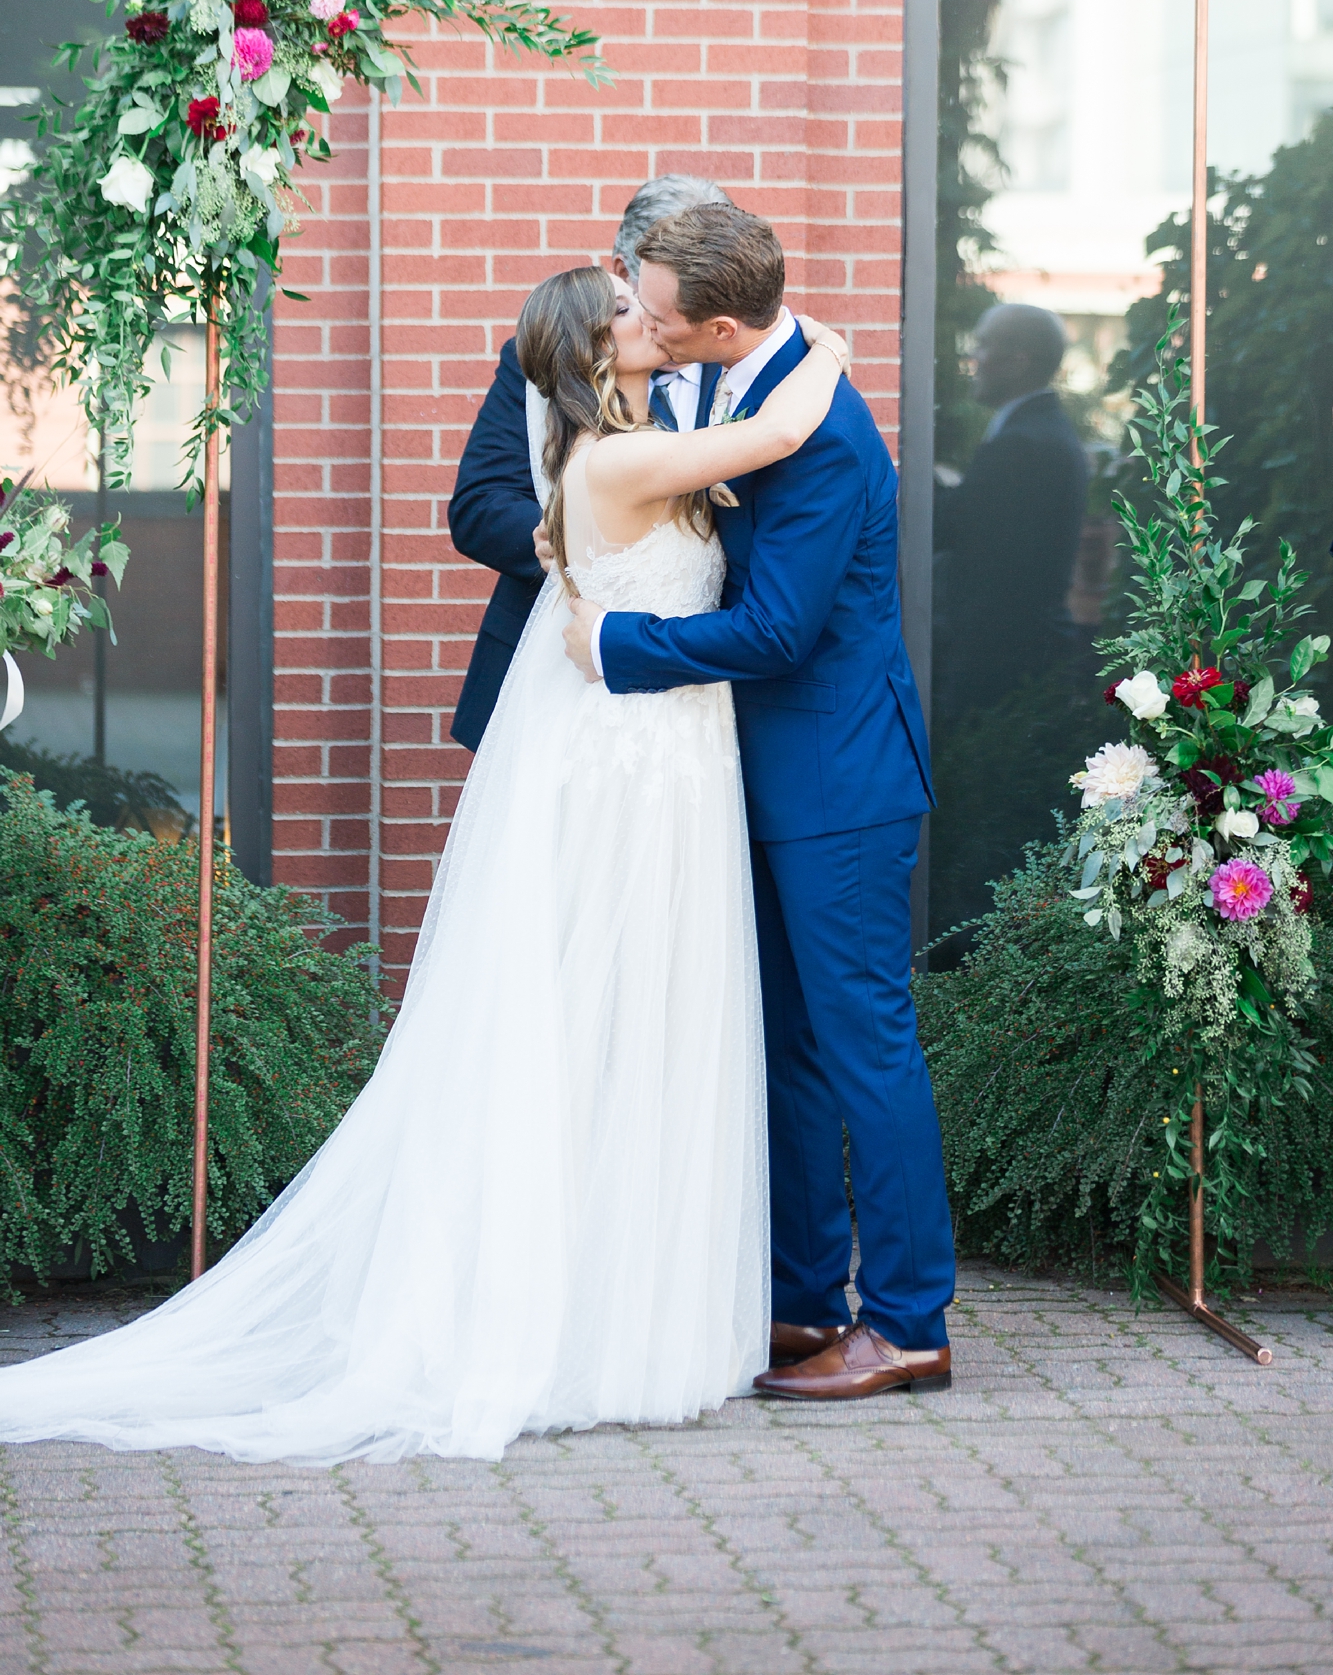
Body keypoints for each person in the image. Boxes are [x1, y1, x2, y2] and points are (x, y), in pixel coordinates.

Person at [0, 265, 850, 1465]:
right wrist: (812, 337)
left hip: (670, 758)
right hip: (616, 761)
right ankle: (556, 1318)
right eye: (626, 309)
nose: (645, 318)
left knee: (647, 1028)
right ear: (592, 351)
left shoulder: (658, 426)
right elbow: (768, 433)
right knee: (580, 1024)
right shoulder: (615, 452)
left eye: (646, 297)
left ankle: (627, 1307)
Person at [563, 204, 956, 1401]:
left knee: (862, 1046)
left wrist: (615, 641)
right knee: (786, 1047)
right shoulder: (761, 379)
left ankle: (905, 1320)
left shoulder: (819, 428)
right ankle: (796, 1301)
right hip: (773, 776)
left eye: (664, 317)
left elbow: (781, 628)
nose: (651, 330)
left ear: (721, 323)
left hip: (838, 780)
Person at [448, 172, 732, 750]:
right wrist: (563, 535)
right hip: (555, 671)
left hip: (699, 680)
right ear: (625, 270)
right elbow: (478, 506)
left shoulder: (746, 363)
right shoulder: (543, 361)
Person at [933, 302, 1089, 721]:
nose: (973, 358)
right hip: (1023, 656)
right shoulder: (1040, 434)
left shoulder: (1021, 445)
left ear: (1018, 362)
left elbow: (951, 526)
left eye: (983, 346)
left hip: (1002, 663)